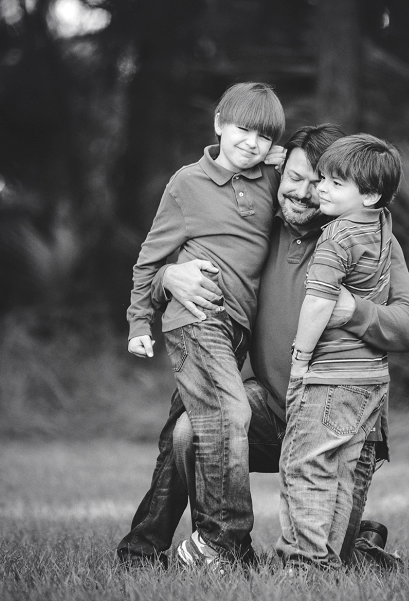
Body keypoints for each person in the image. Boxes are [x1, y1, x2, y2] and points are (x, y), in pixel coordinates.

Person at [117, 124, 409, 570]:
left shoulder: (366, 239)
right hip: (274, 410)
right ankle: (217, 548)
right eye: (292, 177)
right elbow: (185, 257)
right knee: (191, 429)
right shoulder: (260, 232)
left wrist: (353, 310)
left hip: (336, 424)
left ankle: (361, 543)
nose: (302, 192)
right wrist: (167, 277)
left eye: (318, 182)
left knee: (320, 563)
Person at [125, 82, 285, 567]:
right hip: (198, 320)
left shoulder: (270, 180)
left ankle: (140, 549)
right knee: (231, 415)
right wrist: (139, 321)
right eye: (242, 128)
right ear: (219, 123)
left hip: (234, 333)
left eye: (263, 135)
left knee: (185, 434)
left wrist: (287, 161)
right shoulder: (186, 184)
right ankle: (227, 542)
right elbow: (149, 261)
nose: (251, 142)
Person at [275, 134, 402, 571]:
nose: (320, 189)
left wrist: (300, 358)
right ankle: (328, 562)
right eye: (321, 178)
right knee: (343, 474)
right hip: (371, 380)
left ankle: (305, 565)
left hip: (330, 376)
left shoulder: (337, 237)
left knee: (306, 468)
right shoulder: (381, 225)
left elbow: (318, 302)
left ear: (369, 193)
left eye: (333, 183)